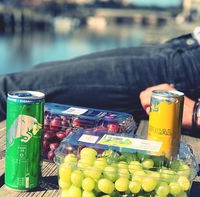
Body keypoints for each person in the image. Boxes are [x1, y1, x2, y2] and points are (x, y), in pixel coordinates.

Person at [0, 30, 200, 136]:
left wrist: (196, 114)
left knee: (10, 92)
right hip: (185, 48)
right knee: (34, 73)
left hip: (185, 71)